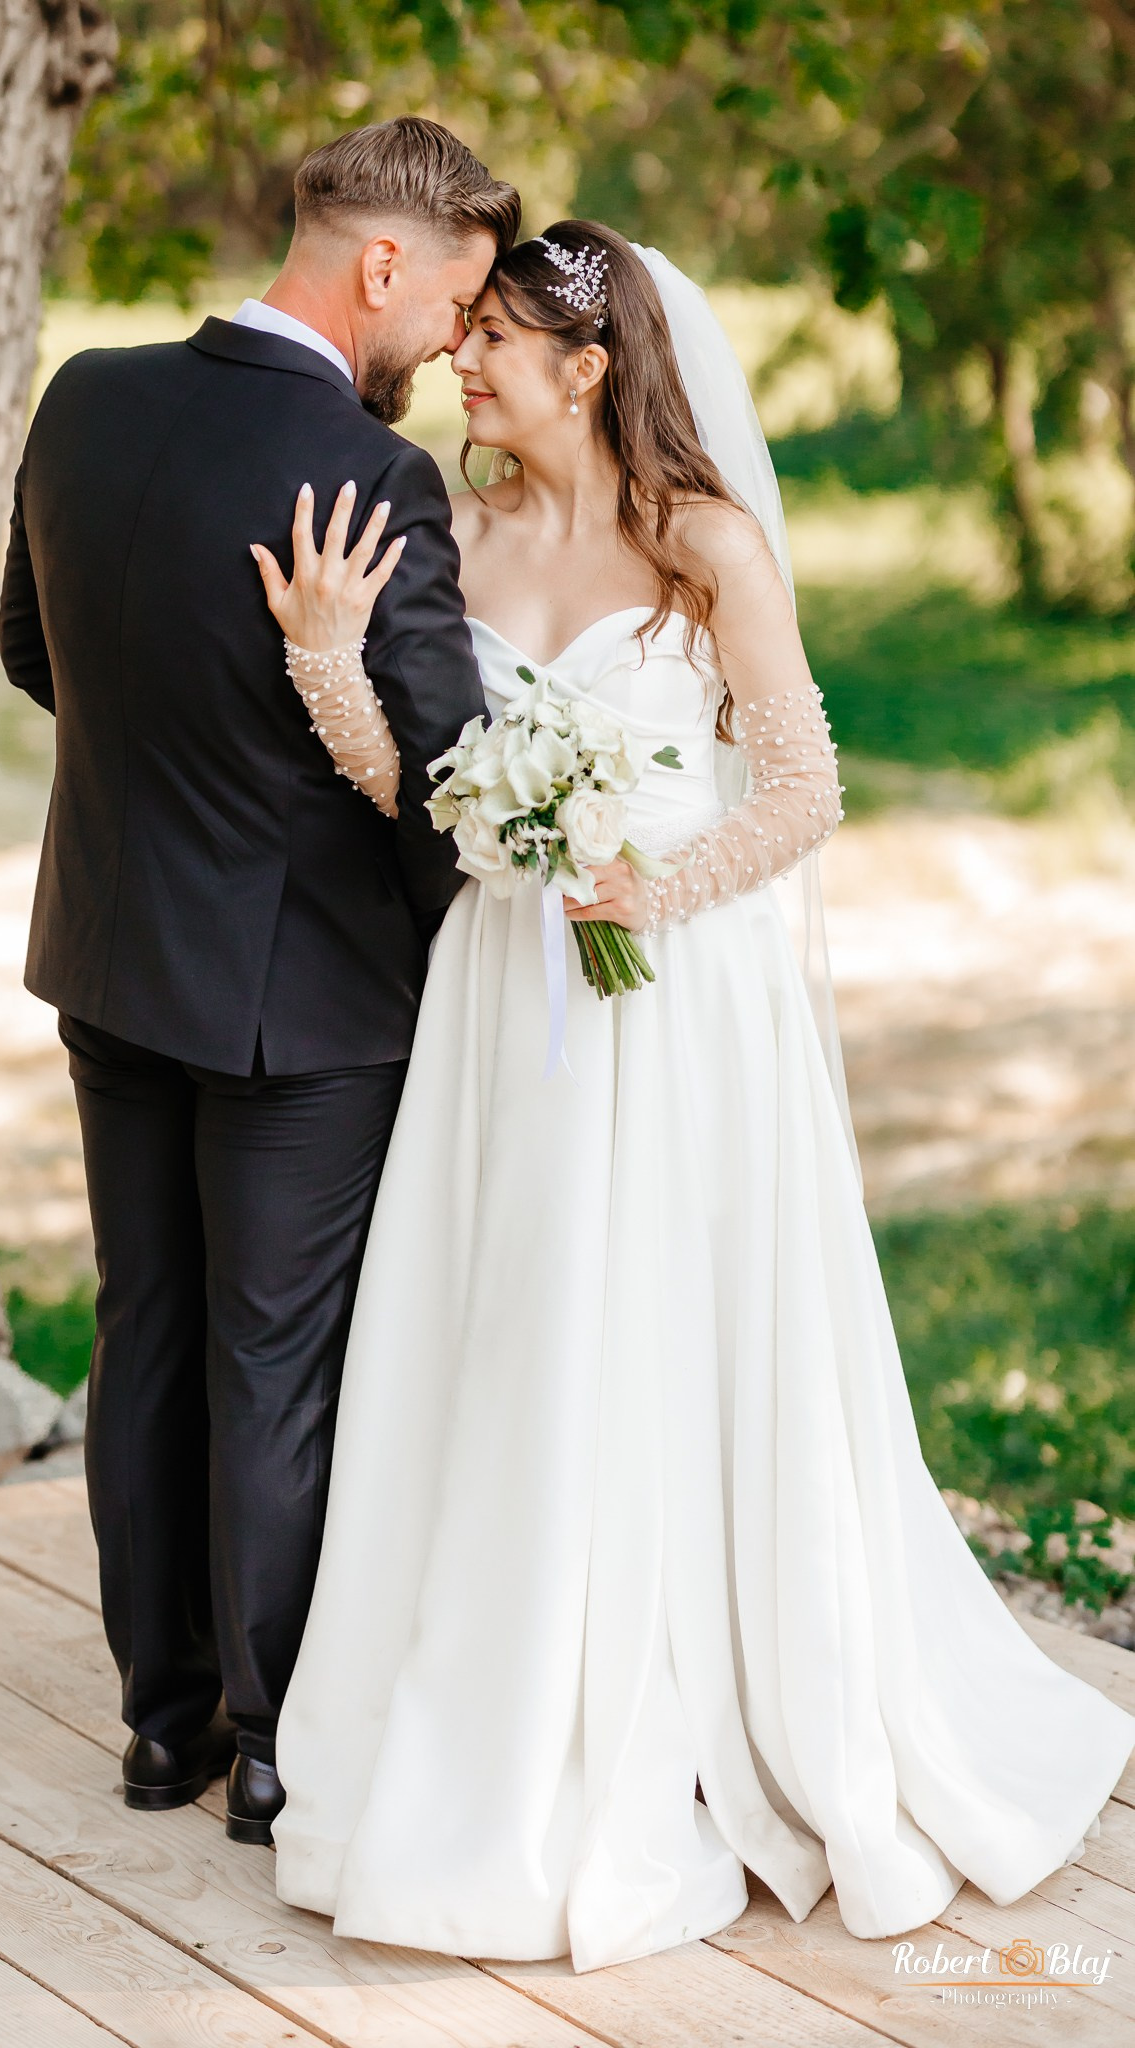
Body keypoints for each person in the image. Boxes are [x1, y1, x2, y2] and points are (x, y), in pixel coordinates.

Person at [253, 221, 1135, 1969]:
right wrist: (329, 659)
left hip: (676, 993)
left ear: (585, 368)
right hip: (504, 990)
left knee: (670, 1317)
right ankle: (510, 1693)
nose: (461, 360)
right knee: (512, 1320)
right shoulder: (460, 529)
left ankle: (720, 1683)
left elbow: (801, 791)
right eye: (464, 334)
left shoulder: (705, 544)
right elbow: (417, 788)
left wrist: (648, 887)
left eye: (494, 339)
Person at [0, 119, 520, 1843]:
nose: (452, 338)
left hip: (108, 954)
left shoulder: (87, 398)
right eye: (452, 300)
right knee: (273, 1362)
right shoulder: (368, 473)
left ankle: (163, 1728)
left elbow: (33, 649)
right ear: (381, 263)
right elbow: (448, 779)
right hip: (304, 1001)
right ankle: (276, 1735)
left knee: (145, 1330)